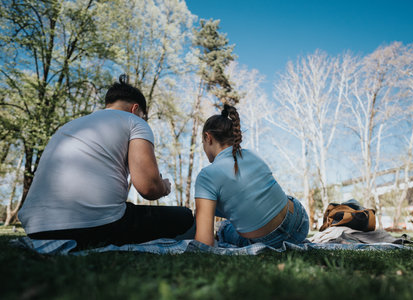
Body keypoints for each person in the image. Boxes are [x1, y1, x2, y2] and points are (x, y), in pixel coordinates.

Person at [18, 75, 194, 249]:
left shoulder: (69, 126)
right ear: (135, 109)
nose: (143, 120)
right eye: (143, 116)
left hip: (36, 229)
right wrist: (163, 187)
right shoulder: (134, 122)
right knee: (185, 216)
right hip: (94, 226)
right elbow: (149, 188)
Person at [194, 104, 309, 248]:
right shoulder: (252, 154)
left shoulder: (206, 175)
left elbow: (204, 243)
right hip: (299, 222)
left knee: (224, 228)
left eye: (202, 142)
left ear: (208, 138)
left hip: (268, 240)